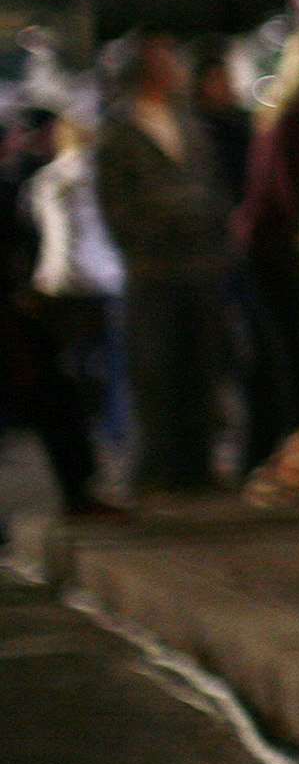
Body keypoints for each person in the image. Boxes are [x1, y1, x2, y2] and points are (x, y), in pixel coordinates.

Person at [93, 37, 230, 496]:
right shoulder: (118, 131)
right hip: (153, 269)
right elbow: (116, 204)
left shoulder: (188, 124)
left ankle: (196, 466)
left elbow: (209, 184)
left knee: (199, 367)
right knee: (155, 371)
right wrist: (141, 242)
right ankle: (157, 469)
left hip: (199, 266)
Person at [232, 32, 299, 461]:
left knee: (279, 352)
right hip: (275, 249)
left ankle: (277, 449)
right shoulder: (297, 120)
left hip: (270, 245)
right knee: (288, 351)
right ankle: (288, 448)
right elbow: (288, 193)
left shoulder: (281, 116)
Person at [4, 104, 109, 515]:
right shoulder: (22, 181)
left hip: (25, 311)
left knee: (57, 398)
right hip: (21, 314)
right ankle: (78, 492)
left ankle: (80, 492)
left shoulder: (27, 179)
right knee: (55, 398)